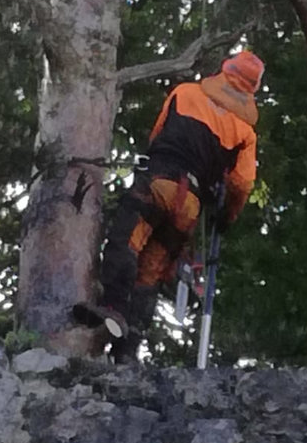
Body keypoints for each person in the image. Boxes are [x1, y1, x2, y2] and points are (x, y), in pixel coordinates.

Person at [73, 50, 264, 362]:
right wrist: (227, 216)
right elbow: (241, 184)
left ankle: (114, 308)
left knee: (127, 242)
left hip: (159, 183)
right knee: (151, 271)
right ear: (251, 89)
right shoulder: (245, 133)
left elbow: (157, 134)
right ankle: (127, 351)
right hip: (189, 206)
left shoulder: (185, 93)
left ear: (224, 70)